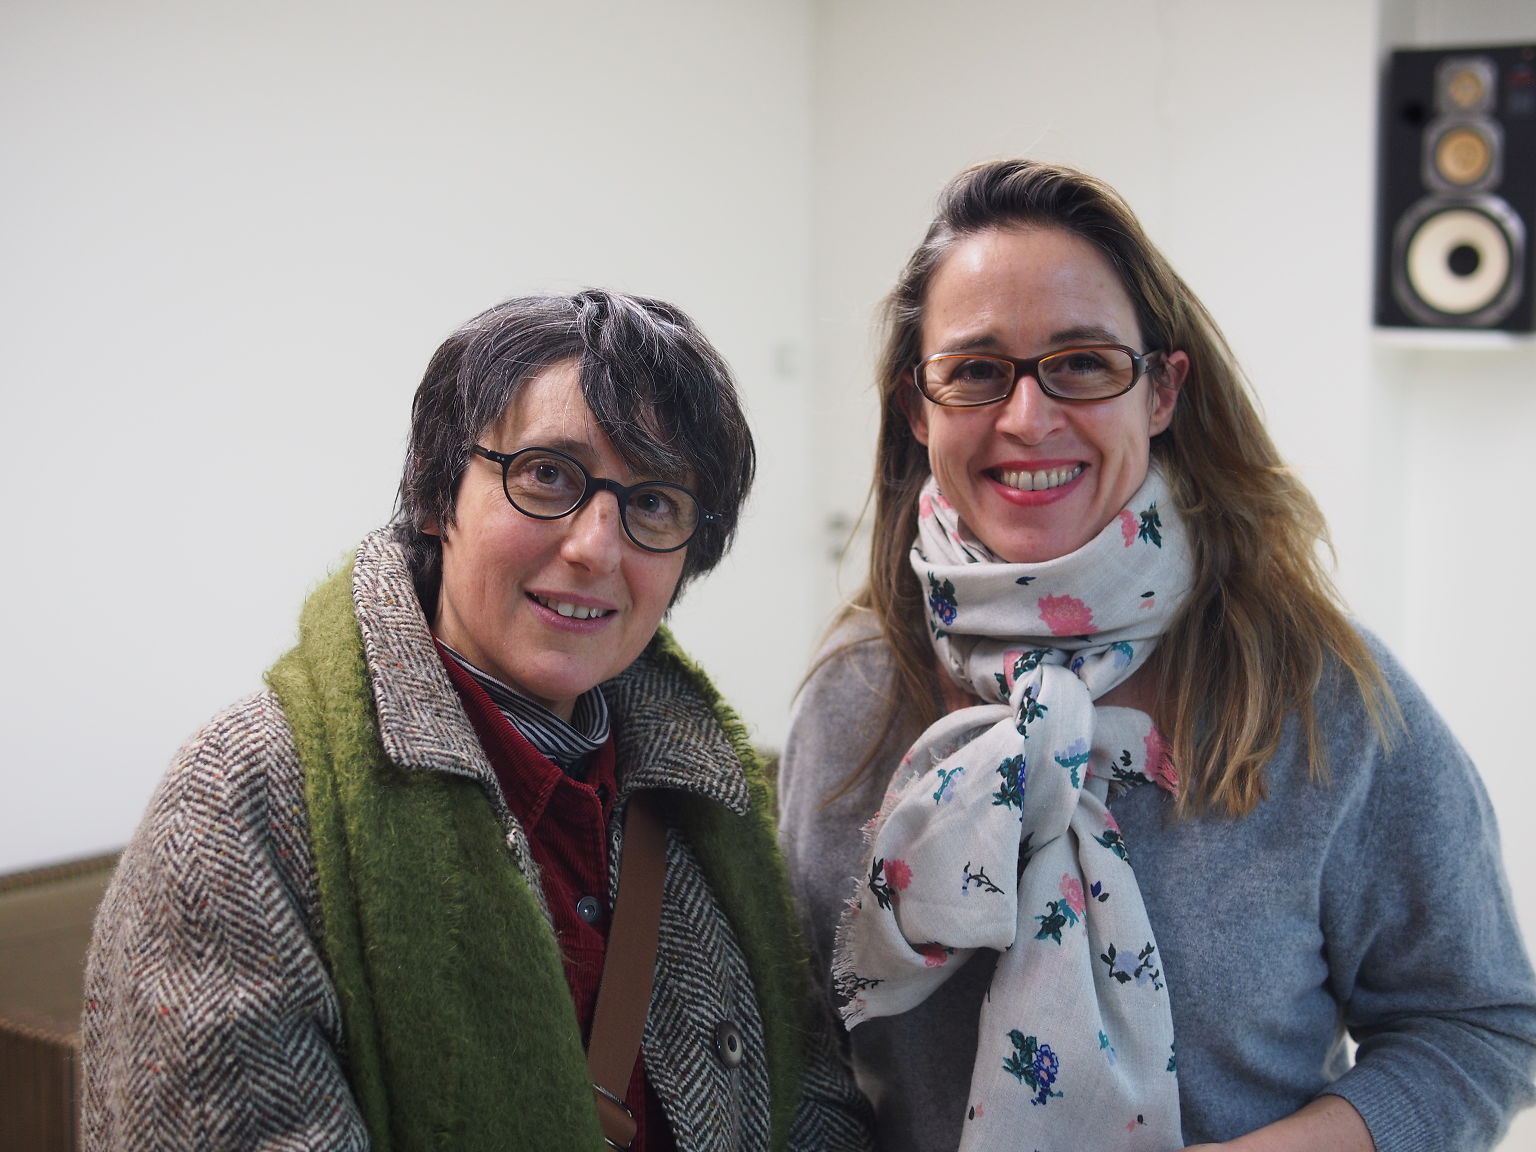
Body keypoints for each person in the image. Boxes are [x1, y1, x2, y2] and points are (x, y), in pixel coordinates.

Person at [776, 159, 1536, 1152]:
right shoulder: (853, 694)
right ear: (918, 409)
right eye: (975, 371)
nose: (1028, 418)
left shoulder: (1319, 694)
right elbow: (799, 1051)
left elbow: (1475, 1028)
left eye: (1084, 362)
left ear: (1164, 390)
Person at [83, 289, 874, 1151]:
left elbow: (811, 1106)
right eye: (547, 475)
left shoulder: (699, 791)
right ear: (437, 495)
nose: (596, 547)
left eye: (653, 501)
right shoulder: (246, 800)